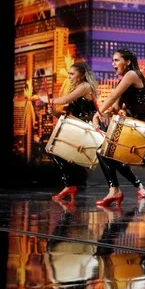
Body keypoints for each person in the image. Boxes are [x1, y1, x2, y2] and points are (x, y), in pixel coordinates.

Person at [92, 48, 145, 206]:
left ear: (128, 62)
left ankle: (122, 188)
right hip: (134, 126)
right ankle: (116, 190)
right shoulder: (124, 80)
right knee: (105, 152)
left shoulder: (132, 74)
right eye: (112, 60)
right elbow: (116, 107)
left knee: (105, 152)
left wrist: (97, 114)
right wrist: (106, 113)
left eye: (117, 60)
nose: (113, 63)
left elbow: (112, 97)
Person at [48, 62, 100, 201]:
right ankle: (69, 185)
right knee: (55, 151)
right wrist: (54, 113)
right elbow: (67, 115)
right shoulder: (76, 89)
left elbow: (65, 99)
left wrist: (51, 100)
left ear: (82, 75)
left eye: (72, 74)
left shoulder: (85, 86)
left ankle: (70, 185)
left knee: (54, 150)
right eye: (69, 74)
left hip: (87, 128)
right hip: (77, 127)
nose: (69, 77)